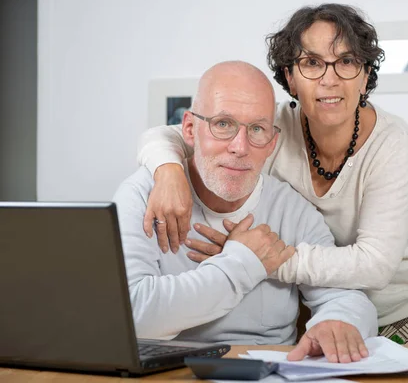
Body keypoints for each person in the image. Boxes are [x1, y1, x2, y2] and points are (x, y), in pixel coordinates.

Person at [137, 3, 408, 346]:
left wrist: (257, 257)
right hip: (320, 301)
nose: (329, 79)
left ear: (365, 77)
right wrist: (168, 171)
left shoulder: (393, 141)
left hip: (404, 303)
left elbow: (375, 265)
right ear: (290, 77)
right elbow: (174, 133)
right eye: (312, 63)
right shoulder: (268, 127)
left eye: (346, 61)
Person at [113, 61, 377, 363]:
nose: (240, 147)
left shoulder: (292, 209)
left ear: (271, 143)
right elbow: (131, 316)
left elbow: (346, 296)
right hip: (169, 370)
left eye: (257, 129)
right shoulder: (141, 195)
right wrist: (243, 262)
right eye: (223, 124)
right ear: (189, 128)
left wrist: (339, 320)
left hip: (270, 370)